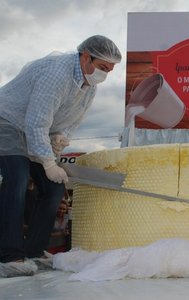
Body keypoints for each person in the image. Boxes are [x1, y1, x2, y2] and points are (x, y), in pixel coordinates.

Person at [0, 35, 121, 278]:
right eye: (102, 68)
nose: (104, 75)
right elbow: (36, 122)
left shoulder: (90, 87)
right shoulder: (56, 74)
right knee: (18, 178)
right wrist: (46, 162)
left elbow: (72, 120)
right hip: (7, 122)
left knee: (54, 188)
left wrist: (60, 139)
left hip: (34, 129)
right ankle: (8, 256)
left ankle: (34, 251)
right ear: (86, 56)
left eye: (109, 70)